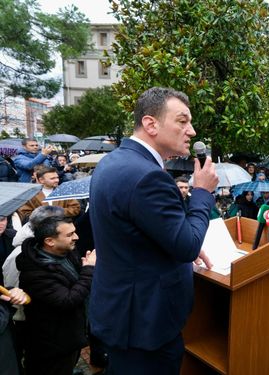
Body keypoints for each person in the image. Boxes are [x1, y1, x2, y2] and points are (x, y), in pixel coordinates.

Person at [89, 87, 219, 374]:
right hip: (145, 324)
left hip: (121, 313)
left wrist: (176, 239)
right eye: (182, 121)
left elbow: (132, 230)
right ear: (151, 124)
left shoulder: (113, 161)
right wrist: (202, 192)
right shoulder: (149, 176)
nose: (192, 131)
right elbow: (186, 246)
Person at [16, 216, 96, 375]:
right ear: (50, 241)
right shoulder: (35, 272)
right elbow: (67, 300)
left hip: (71, 336)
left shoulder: (66, 251)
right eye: (69, 235)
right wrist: (89, 270)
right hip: (53, 346)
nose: (76, 237)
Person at [17, 166, 81, 223]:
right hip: (40, 229)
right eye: (52, 178)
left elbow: (76, 208)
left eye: (57, 177)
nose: (57, 180)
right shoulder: (30, 194)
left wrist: (57, 212)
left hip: (62, 227)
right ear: (41, 180)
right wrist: (42, 215)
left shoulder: (64, 191)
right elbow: (24, 213)